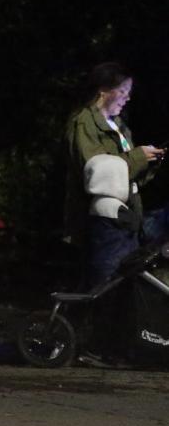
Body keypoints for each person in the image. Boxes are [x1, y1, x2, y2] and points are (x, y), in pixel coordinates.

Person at [64, 62, 163, 289]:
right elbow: (98, 173)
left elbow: (127, 176)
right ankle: (86, 323)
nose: (127, 98)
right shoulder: (85, 122)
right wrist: (138, 157)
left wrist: (150, 163)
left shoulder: (120, 126)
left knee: (125, 285)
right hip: (104, 220)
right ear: (104, 90)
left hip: (128, 218)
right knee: (106, 286)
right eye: (122, 91)